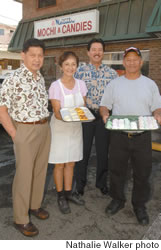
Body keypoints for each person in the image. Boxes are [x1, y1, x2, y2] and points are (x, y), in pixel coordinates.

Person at [100, 47, 161, 225]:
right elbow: (105, 105)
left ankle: (139, 205)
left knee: (142, 173)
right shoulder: (114, 84)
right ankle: (117, 200)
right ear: (124, 62)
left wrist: (157, 114)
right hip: (119, 135)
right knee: (117, 170)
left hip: (142, 136)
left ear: (140, 62)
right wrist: (105, 114)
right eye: (128, 59)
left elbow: (157, 106)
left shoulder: (150, 84)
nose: (132, 62)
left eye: (135, 59)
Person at [0, 38, 51, 237]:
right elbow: (2, 109)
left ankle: (34, 206)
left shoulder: (39, 77)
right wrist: (14, 134)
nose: (37, 59)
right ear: (23, 55)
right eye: (33, 55)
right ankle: (20, 218)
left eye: (40, 55)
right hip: (24, 131)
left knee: (40, 171)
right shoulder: (13, 78)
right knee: (24, 175)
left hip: (43, 128)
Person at [74, 38, 118, 196]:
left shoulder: (112, 74)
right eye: (94, 49)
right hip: (85, 115)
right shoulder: (79, 71)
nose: (97, 52)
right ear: (88, 52)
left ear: (103, 52)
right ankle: (80, 183)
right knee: (82, 152)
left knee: (102, 152)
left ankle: (101, 183)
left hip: (103, 116)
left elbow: (115, 96)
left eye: (100, 49)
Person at [48, 51, 87, 214]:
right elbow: (57, 112)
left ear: (77, 66)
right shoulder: (55, 86)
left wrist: (85, 115)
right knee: (60, 164)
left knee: (71, 162)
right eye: (67, 64)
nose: (70, 67)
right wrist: (72, 116)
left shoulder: (81, 84)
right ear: (61, 66)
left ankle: (69, 193)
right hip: (60, 129)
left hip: (75, 128)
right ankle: (61, 196)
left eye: (73, 64)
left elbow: (83, 108)